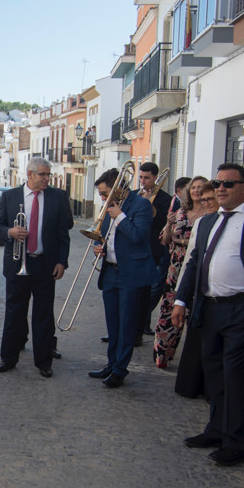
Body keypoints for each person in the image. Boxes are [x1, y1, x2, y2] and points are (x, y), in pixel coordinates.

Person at [172, 163, 244, 466]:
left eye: (228, 184)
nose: (220, 189)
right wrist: (181, 301)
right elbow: (194, 263)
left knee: (235, 377)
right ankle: (216, 430)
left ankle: (236, 443)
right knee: (213, 374)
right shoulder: (208, 222)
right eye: (217, 183)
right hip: (209, 308)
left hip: (243, 309)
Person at [0, 157, 70, 377]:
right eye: (42, 175)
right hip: (18, 264)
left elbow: (63, 235)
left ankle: (43, 362)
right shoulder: (10, 196)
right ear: (30, 174)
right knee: (14, 313)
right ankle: (8, 358)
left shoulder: (57, 197)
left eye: (48, 175)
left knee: (43, 314)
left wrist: (62, 262)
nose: (47, 179)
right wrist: (10, 232)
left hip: (45, 264)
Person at [87, 168, 152, 389]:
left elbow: (139, 236)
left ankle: (120, 370)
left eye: (105, 193)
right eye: (100, 195)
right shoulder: (108, 207)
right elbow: (104, 236)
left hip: (130, 274)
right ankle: (111, 363)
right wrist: (99, 247)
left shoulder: (141, 205)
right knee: (113, 324)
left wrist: (120, 216)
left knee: (126, 325)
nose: (102, 198)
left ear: (118, 187)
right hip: (110, 272)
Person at [153, 176, 209, 368]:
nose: (196, 191)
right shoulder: (180, 212)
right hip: (176, 269)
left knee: (194, 313)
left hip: (199, 269)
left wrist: (182, 241)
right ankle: (163, 354)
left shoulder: (211, 214)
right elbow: (164, 241)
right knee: (169, 311)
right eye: (193, 187)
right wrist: (169, 225)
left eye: (201, 188)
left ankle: (193, 361)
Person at [172, 183, 218, 398]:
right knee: (196, 340)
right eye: (203, 199)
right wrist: (181, 297)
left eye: (210, 199)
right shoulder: (202, 223)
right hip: (199, 288)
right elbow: (192, 258)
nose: (206, 203)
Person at [135, 162, 172, 342]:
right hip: (134, 249)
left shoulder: (165, 199)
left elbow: (162, 224)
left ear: (156, 178)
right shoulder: (134, 195)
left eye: (147, 178)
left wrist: (149, 205)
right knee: (132, 292)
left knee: (146, 291)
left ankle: (140, 329)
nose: (143, 182)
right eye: (141, 177)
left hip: (152, 250)